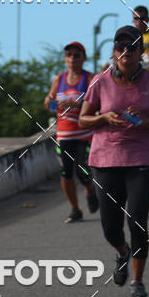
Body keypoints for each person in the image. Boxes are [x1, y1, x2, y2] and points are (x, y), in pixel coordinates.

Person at [79, 26, 149, 297]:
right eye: (120, 46)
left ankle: (138, 280)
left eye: (131, 47)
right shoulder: (100, 82)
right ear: (113, 51)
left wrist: (145, 122)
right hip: (104, 159)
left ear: (141, 52)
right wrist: (104, 118)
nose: (125, 51)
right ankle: (122, 252)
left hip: (142, 159)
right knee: (111, 227)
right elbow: (83, 119)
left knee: (137, 220)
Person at [45, 42, 98, 223]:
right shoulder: (59, 79)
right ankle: (75, 208)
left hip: (84, 133)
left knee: (82, 170)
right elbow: (49, 102)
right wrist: (49, 100)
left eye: (76, 55)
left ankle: (90, 189)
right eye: (69, 54)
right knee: (66, 172)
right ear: (65, 58)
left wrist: (76, 104)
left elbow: (97, 102)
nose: (72, 58)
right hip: (64, 134)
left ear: (83, 58)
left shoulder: (90, 78)